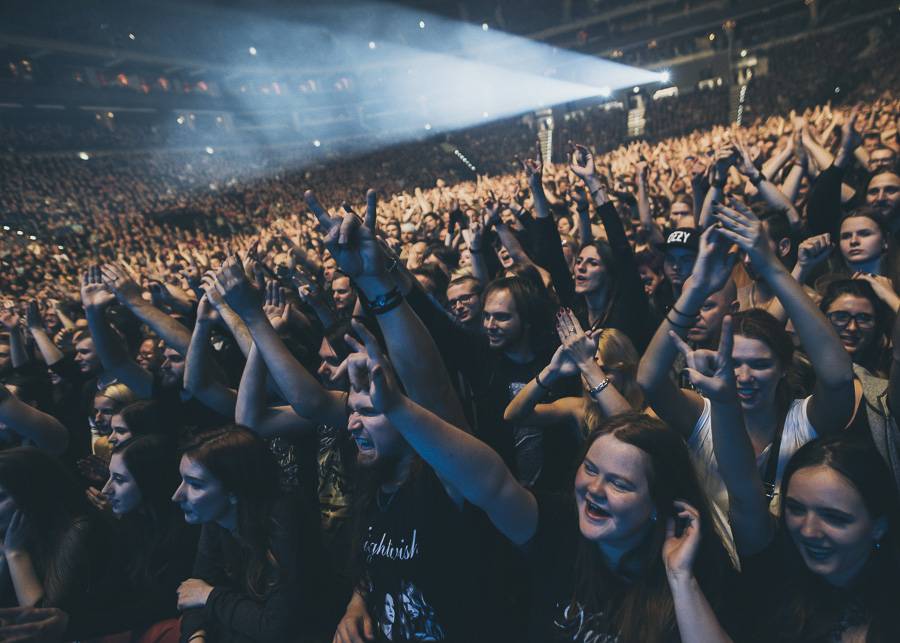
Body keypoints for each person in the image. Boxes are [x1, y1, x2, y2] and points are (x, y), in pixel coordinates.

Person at [344, 325, 736, 642]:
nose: (594, 490)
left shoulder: (692, 564)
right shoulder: (564, 527)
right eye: (591, 469)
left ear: (659, 503)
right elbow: (491, 481)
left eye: (619, 483)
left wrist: (681, 579)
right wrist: (396, 407)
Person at [173, 425, 328, 643]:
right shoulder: (216, 517)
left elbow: (276, 628)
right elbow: (194, 593)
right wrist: (196, 636)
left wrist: (209, 596)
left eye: (195, 485)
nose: (177, 496)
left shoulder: (284, 520)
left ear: (234, 492)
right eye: (182, 480)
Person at [93, 435, 197, 638]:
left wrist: (77, 625)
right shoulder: (134, 522)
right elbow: (112, 586)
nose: (106, 489)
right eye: (109, 476)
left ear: (149, 480)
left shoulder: (188, 531)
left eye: (119, 479)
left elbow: (158, 606)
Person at [0, 447, 106, 640]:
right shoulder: (18, 532)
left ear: (30, 494)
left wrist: (15, 553)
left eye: (0, 497)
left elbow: (42, 624)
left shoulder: (77, 529)